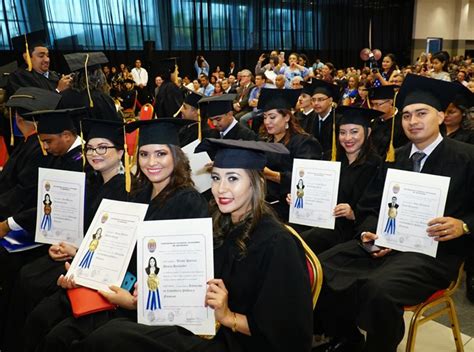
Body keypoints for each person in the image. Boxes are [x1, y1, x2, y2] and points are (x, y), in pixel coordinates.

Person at [72, 138, 313, 352]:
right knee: (106, 332)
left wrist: (229, 316)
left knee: (112, 339)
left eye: (233, 179)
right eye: (216, 178)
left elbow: (289, 334)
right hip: (199, 324)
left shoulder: (277, 243)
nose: (221, 189)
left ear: (255, 183)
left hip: (237, 342)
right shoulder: (217, 225)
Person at [314, 74, 474, 352]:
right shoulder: (395, 157)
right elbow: (371, 205)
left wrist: (464, 226)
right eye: (407, 115)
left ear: (440, 116)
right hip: (387, 244)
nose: (412, 121)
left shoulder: (467, 157)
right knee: (321, 266)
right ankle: (346, 336)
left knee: (378, 289)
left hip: (435, 253)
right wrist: (370, 231)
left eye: (421, 114)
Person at [21, 119, 209, 352]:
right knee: (43, 318)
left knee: (63, 337)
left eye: (161, 154)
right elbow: (116, 246)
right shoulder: (139, 194)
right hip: (113, 287)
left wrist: (133, 302)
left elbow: (185, 273)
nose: (151, 162)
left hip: (146, 306)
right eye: (144, 154)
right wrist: (80, 262)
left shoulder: (190, 202)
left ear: (177, 157)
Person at [301, 106, 383, 254]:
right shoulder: (329, 157)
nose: (347, 138)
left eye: (354, 132)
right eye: (342, 132)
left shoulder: (376, 165)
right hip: (319, 220)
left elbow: (374, 206)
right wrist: (300, 196)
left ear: (368, 132)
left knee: (303, 242)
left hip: (348, 229)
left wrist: (353, 213)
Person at [258, 88, 322, 221]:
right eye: (265, 117)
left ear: (286, 117)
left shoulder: (304, 142)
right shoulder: (265, 141)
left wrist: (271, 175)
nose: (267, 122)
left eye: (272, 117)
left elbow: (308, 180)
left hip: (290, 208)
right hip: (263, 203)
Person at [8, 31, 72, 95]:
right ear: (26, 57)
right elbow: (31, 102)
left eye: (47, 55)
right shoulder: (18, 78)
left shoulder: (55, 75)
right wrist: (58, 90)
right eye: (41, 56)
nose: (47, 60)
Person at [368, 84, 409, 159]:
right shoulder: (374, 122)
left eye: (378, 104)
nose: (374, 108)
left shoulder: (404, 121)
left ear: (390, 102)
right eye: (373, 104)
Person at [308, 79, 340, 158]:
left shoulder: (338, 119)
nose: (316, 103)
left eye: (320, 100)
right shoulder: (310, 118)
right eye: (313, 100)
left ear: (330, 100)